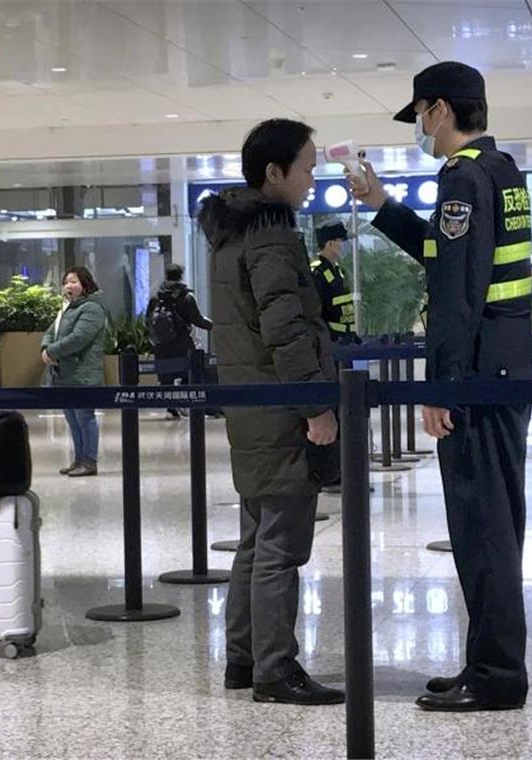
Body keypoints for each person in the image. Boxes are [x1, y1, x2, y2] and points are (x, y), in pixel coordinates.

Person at [348, 61, 532, 712]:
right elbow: (449, 254)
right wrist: (382, 208)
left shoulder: (460, 178)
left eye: (422, 114)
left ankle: (497, 675)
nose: (421, 127)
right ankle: (487, 661)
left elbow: (454, 294)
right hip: (507, 369)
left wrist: (441, 388)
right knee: (498, 522)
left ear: (442, 110)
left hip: (478, 374)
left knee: (482, 525)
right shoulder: (502, 171)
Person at [197, 118, 344, 706]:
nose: (312, 179)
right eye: (306, 167)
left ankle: (243, 658)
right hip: (281, 408)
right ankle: (275, 671)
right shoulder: (271, 236)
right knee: (281, 545)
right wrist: (316, 405)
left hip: (249, 405)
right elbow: (286, 329)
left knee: (257, 539)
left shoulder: (232, 234)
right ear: (274, 172)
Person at [41, 267, 109, 477]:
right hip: (64, 374)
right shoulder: (67, 308)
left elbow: (79, 338)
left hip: (83, 374)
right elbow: (50, 332)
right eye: (66, 282)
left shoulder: (92, 309)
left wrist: (52, 351)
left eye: (74, 282)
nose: (69, 286)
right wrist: (45, 348)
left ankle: (89, 461)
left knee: (84, 418)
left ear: (85, 284)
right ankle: (78, 459)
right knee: (72, 420)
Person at [145, 263, 214, 419]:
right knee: (189, 374)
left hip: (162, 345)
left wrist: (156, 338)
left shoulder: (156, 297)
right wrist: (213, 326)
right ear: (181, 276)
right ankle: (186, 404)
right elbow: (197, 319)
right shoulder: (186, 296)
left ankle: (171, 408)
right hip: (182, 342)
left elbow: (147, 320)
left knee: (166, 377)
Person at [309, 221, 358, 342]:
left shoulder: (337, 271)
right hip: (331, 342)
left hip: (345, 341)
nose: (345, 245)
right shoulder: (318, 272)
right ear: (330, 244)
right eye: (342, 241)